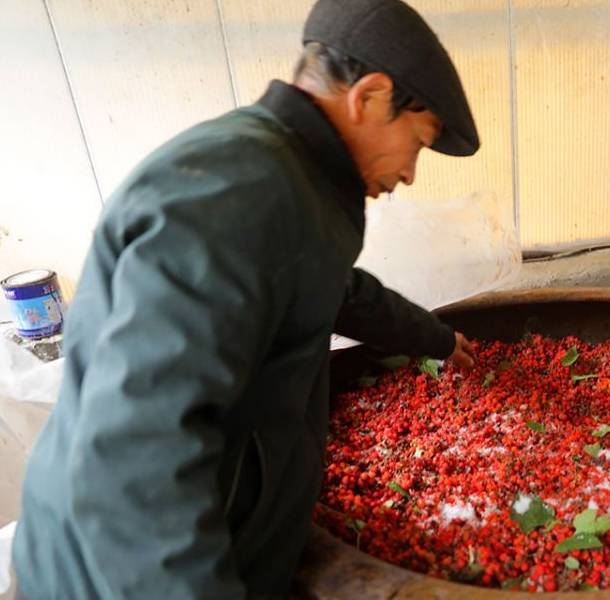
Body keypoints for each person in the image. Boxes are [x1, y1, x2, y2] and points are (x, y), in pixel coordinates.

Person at [12, 0, 479, 597]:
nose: (411, 173)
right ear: (369, 96)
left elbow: (332, 289)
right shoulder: (239, 195)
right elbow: (139, 460)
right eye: (417, 141)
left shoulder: (283, 177)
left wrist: (435, 340)